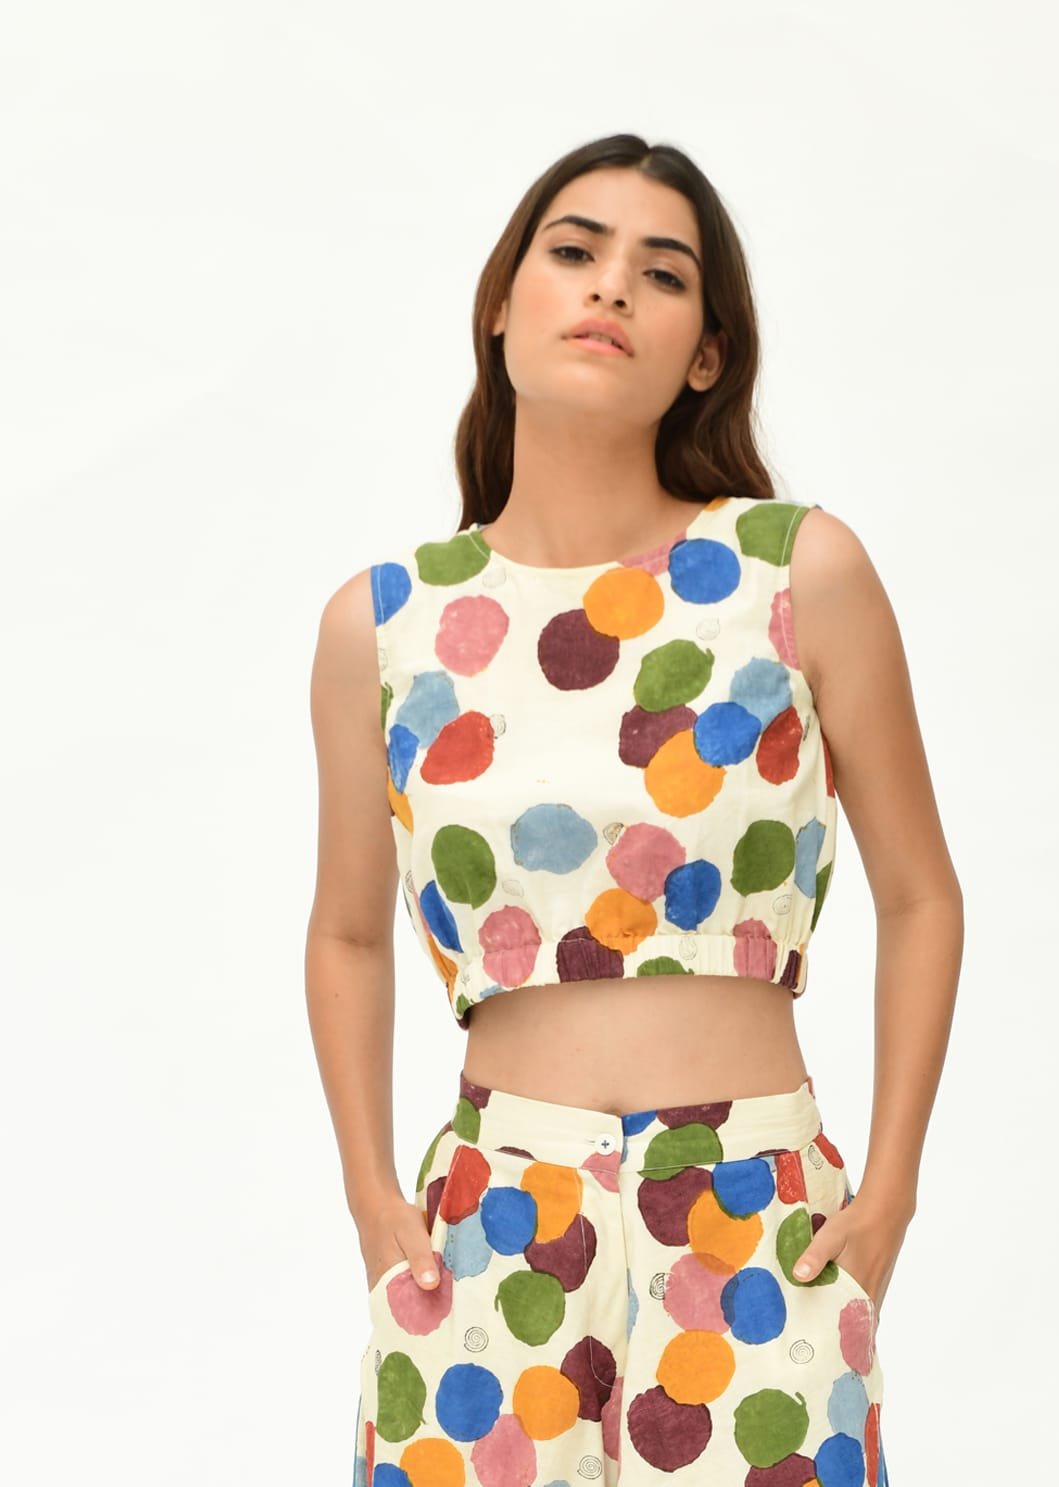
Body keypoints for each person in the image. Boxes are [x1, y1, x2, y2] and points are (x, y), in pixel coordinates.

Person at [308, 133, 962, 1486]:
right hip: (489, 1228)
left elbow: (922, 895)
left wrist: (890, 1189)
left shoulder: (795, 572)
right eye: (574, 251)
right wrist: (373, 1194)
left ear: (705, 355)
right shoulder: (388, 623)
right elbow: (349, 934)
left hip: (754, 1219)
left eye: (662, 274)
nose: (610, 286)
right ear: (503, 303)